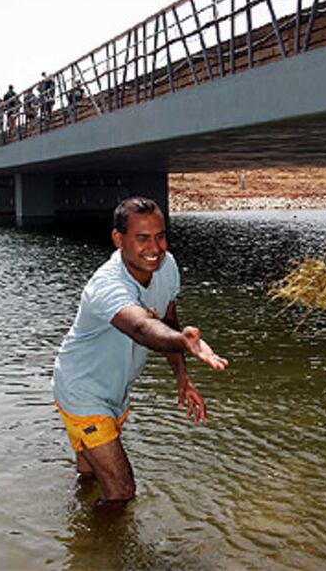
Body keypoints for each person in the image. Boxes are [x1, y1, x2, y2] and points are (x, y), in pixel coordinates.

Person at [52, 197, 228, 510]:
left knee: (91, 473)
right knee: (122, 491)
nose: (155, 248)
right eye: (142, 238)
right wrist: (183, 341)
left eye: (160, 236)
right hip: (82, 390)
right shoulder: (107, 285)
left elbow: (168, 320)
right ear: (118, 240)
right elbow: (143, 329)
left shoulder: (166, 266)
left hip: (114, 391)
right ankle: (101, 554)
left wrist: (183, 378)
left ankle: (76, 529)